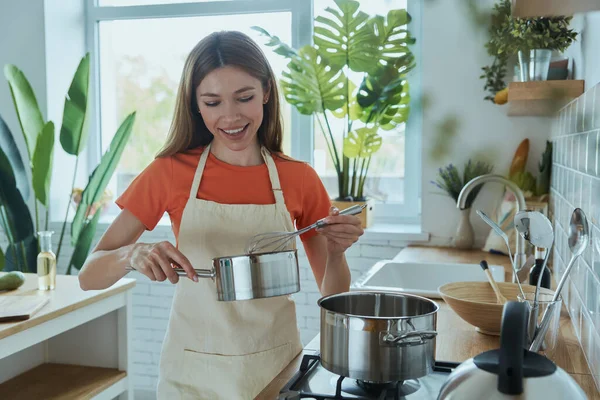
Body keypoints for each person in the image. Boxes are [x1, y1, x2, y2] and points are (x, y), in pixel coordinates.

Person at [78, 30, 364, 399]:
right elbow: (88, 276)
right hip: (191, 375)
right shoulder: (170, 172)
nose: (230, 116)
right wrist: (131, 254)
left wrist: (337, 253)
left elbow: (333, 299)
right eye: (212, 102)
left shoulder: (299, 178)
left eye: (243, 97)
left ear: (265, 92)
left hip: (274, 371)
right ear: (196, 105)